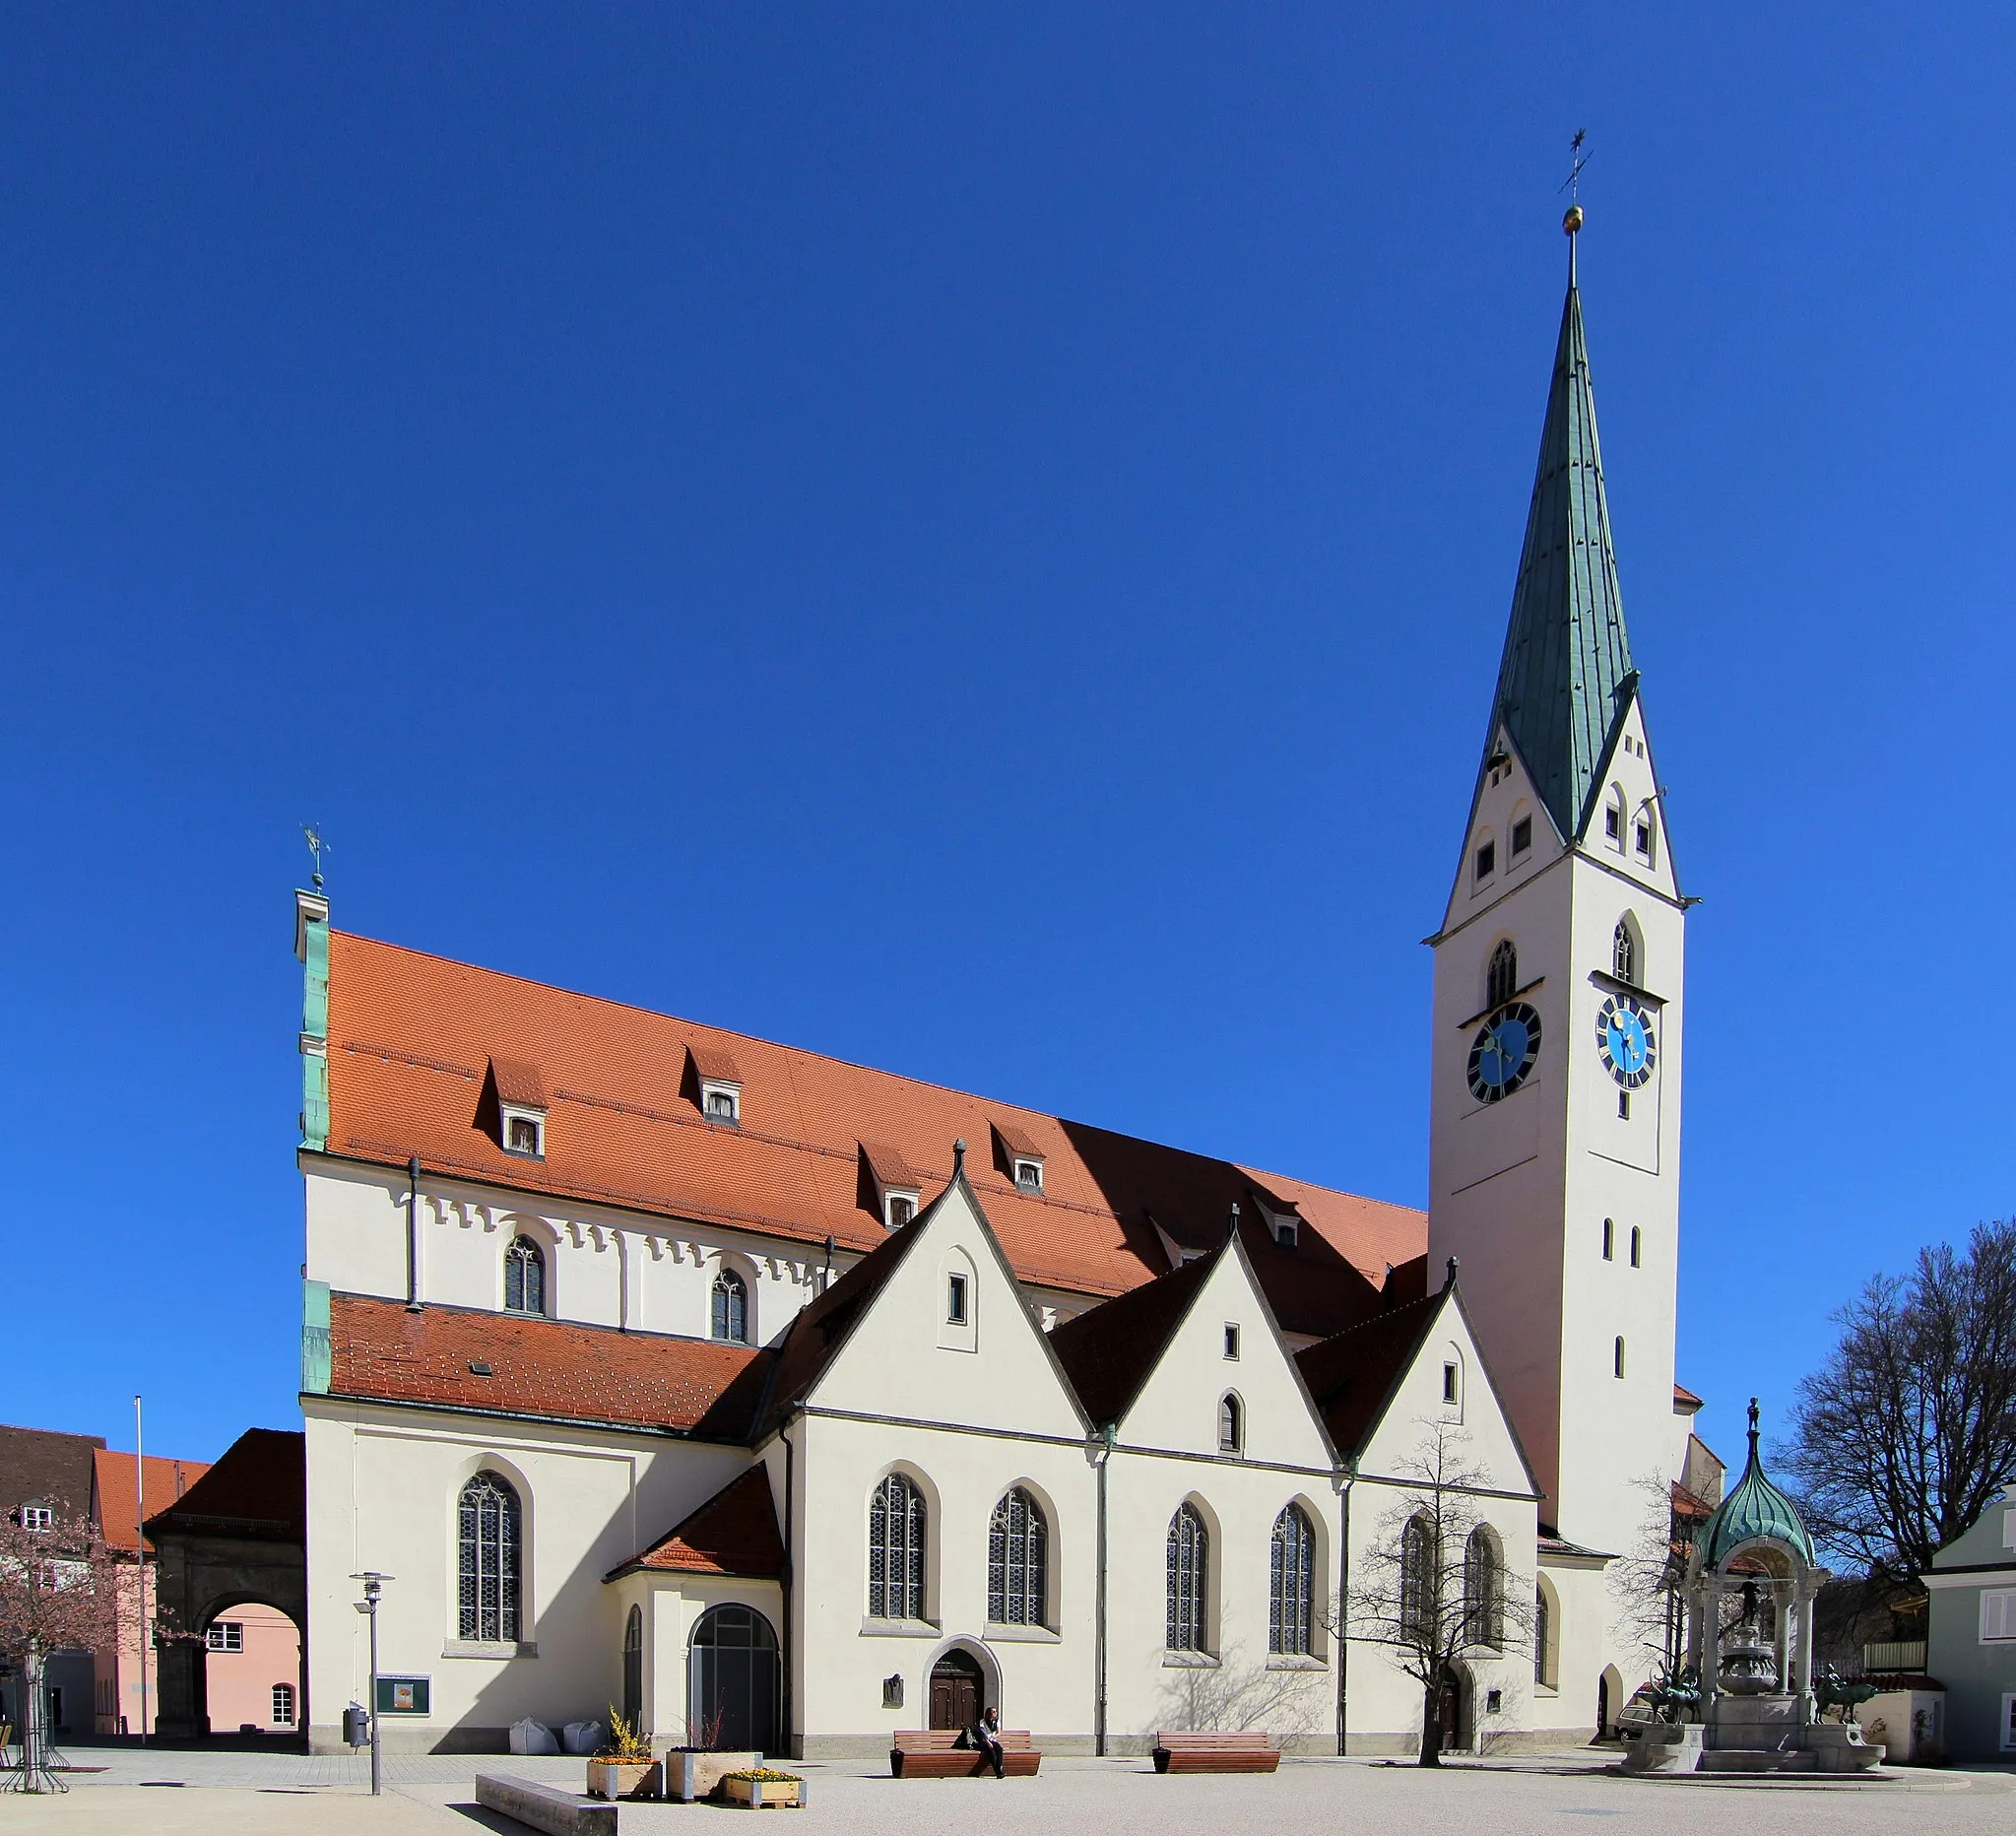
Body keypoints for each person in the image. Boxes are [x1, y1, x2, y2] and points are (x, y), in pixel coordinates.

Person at [960, 1705, 1006, 1779]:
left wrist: (993, 1737)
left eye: (996, 1711)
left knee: (999, 1749)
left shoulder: (997, 1721)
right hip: (984, 1742)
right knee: (991, 1752)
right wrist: (988, 1742)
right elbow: (983, 1733)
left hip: (993, 1740)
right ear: (989, 1713)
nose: (995, 1713)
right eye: (993, 1711)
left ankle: (999, 1769)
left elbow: (999, 1732)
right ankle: (998, 1772)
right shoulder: (982, 1721)